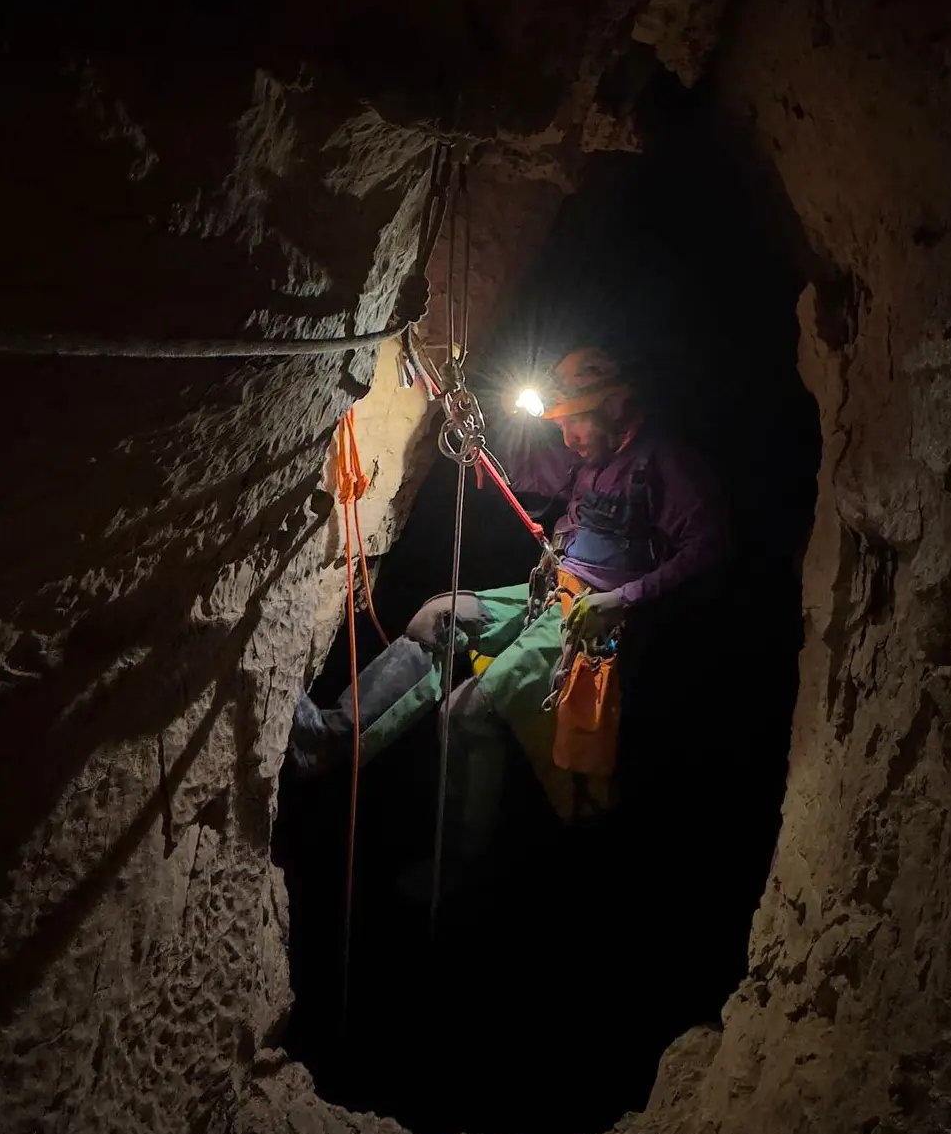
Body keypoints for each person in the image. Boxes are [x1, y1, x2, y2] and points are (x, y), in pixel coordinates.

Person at [288, 347, 728, 888]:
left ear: (615, 406)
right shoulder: (588, 461)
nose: (567, 438)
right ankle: (330, 741)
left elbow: (708, 547)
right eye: (561, 424)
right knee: (439, 618)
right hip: (552, 590)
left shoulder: (665, 464)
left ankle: (458, 870)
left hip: (595, 617)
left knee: (466, 713)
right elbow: (526, 469)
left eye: (575, 423)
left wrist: (625, 598)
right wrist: (472, 427)